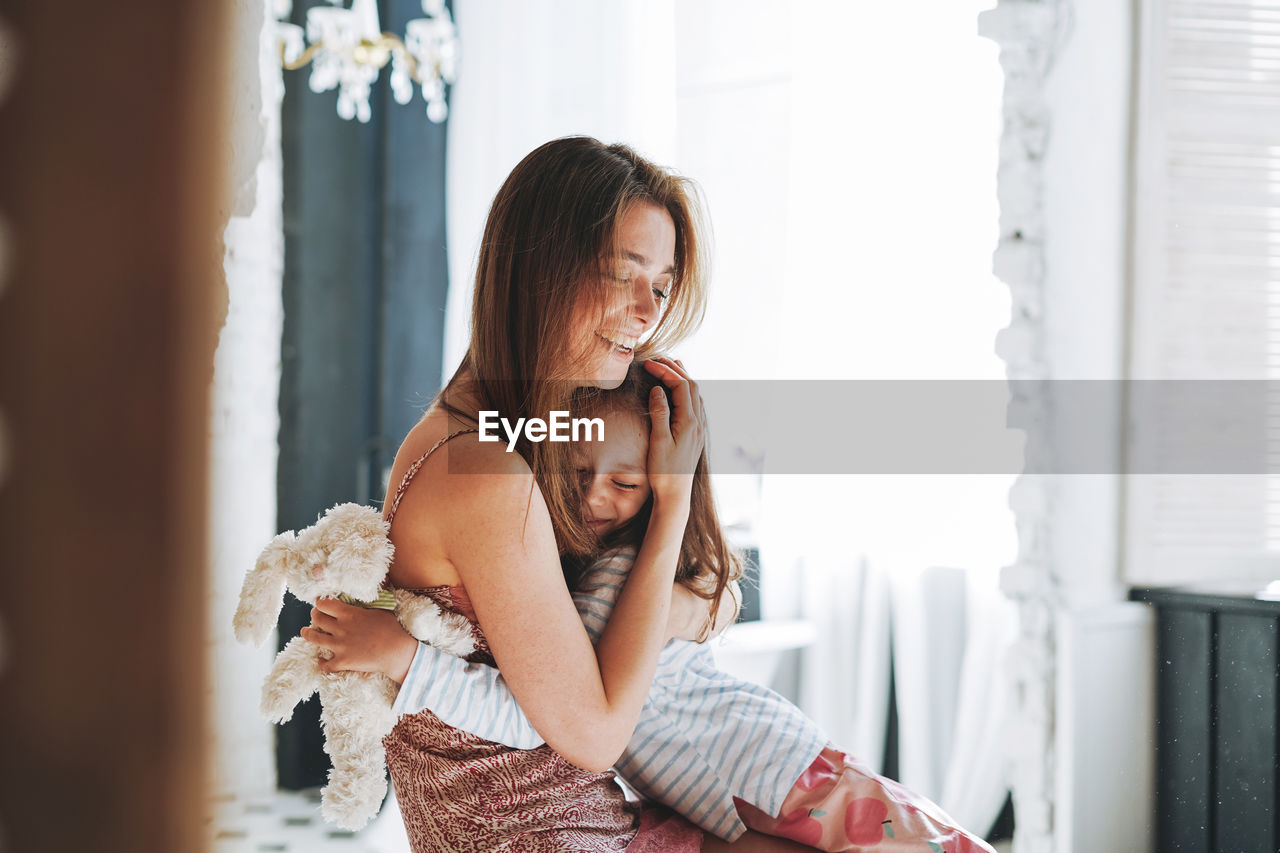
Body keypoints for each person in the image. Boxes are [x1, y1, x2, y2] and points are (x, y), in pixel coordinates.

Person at [299, 136, 812, 852]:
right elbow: (598, 733)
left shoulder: (525, 432)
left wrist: (676, 595)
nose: (646, 312)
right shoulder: (482, 473)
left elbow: (711, 597)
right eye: (622, 275)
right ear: (536, 271)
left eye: (659, 285)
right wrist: (669, 507)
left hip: (586, 819)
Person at [389, 365, 999, 853]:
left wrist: (408, 662)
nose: (596, 495)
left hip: (774, 768)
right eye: (576, 473)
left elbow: (538, 714)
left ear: (658, 488)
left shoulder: (620, 576)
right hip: (741, 789)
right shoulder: (567, 568)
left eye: (626, 484)